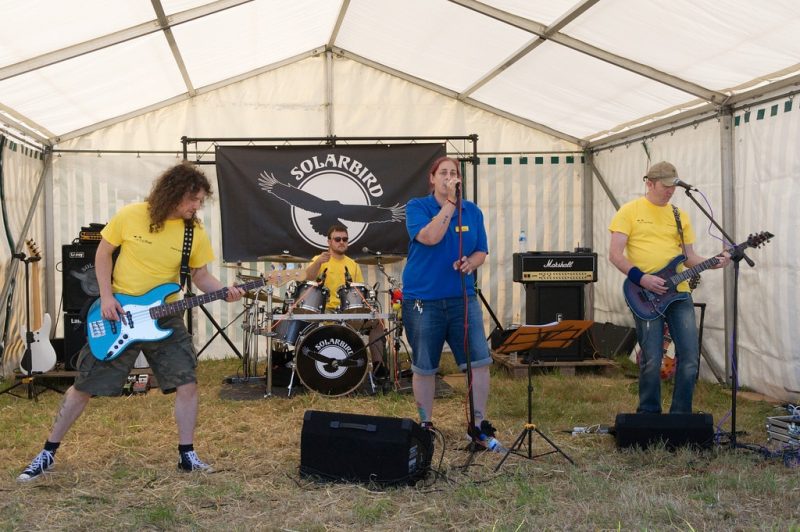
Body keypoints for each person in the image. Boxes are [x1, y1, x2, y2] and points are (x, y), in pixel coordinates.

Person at [17, 162, 244, 481]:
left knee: (187, 382)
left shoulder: (194, 231)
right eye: (193, 200)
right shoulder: (131, 215)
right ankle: (47, 453)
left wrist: (224, 292)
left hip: (166, 315)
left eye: (200, 201)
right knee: (83, 386)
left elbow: (200, 275)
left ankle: (187, 456)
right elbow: (102, 254)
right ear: (175, 193)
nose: (197, 207)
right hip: (118, 312)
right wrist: (107, 297)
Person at [609, 161, 730, 414]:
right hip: (644, 292)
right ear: (649, 183)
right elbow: (615, 255)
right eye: (665, 186)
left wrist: (715, 263)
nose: (670, 191)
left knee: (689, 358)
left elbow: (689, 258)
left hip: (679, 292)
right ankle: (649, 415)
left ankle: (680, 417)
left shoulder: (679, 215)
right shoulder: (629, 212)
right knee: (652, 358)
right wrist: (642, 279)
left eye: (673, 186)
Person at [401, 156, 494, 441]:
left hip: (462, 299)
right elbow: (430, 237)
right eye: (443, 173)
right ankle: (426, 425)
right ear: (432, 178)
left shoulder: (472, 211)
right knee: (425, 365)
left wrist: (472, 263)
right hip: (423, 300)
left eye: (454, 173)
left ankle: (477, 425)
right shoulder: (417, 207)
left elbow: (481, 250)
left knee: (479, 361)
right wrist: (450, 205)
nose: (449, 177)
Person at [305, 224, 388, 379]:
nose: (342, 242)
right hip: (324, 312)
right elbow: (307, 278)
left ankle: (378, 367)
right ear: (329, 242)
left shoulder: (352, 264)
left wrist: (370, 308)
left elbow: (359, 292)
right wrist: (317, 263)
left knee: (379, 322)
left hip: (348, 311)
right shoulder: (319, 259)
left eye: (345, 239)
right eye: (337, 239)